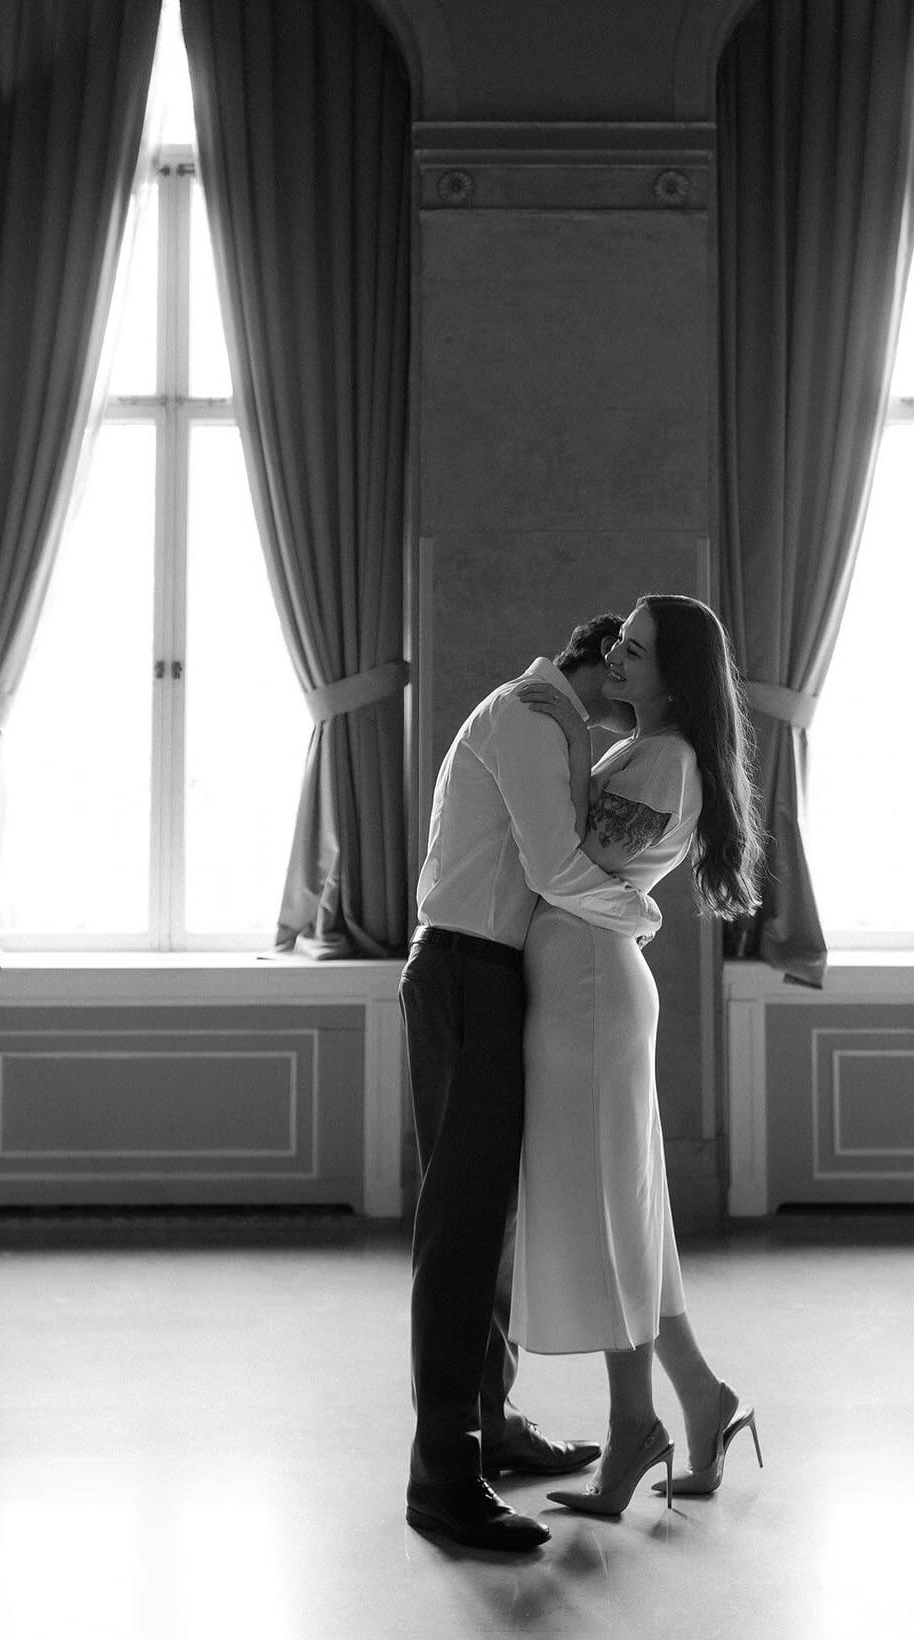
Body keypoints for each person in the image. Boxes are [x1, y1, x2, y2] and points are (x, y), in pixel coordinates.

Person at [402, 614, 662, 1552]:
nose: (635, 677)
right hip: (464, 971)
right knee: (463, 1227)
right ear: (594, 657)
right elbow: (555, 868)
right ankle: (442, 1478)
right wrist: (642, 912)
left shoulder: (563, 728)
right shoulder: (527, 714)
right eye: (626, 659)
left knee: (492, 1223)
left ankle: (493, 1428)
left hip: (488, 974)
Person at [509, 593, 766, 1516]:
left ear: (677, 672)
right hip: (586, 988)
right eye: (619, 641)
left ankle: (633, 1428)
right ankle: (700, 1396)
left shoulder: (663, 757)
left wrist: (565, 741)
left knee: (615, 1212)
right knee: (631, 1210)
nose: (617, 658)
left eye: (640, 651)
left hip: (588, 994)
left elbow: (574, 853)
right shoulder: (649, 748)